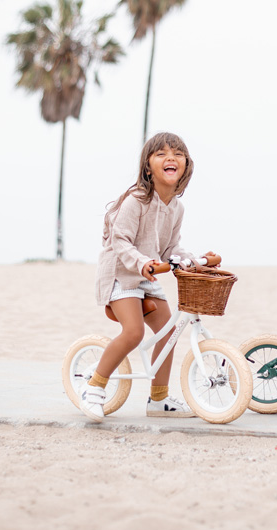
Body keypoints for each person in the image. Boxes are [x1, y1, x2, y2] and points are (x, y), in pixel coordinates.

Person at [81, 132, 215, 423]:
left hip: (148, 277)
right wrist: (142, 263)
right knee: (134, 332)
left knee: (169, 331)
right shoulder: (136, 201)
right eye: (161, 154)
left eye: (178, 154)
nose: (171, 158)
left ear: (186, 165)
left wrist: (191, 259)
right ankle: (94, 387)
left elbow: (169, 248)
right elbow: (121, 241)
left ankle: (158, 399)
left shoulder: (176, 208)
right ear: (147, 167)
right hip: (121, 275)